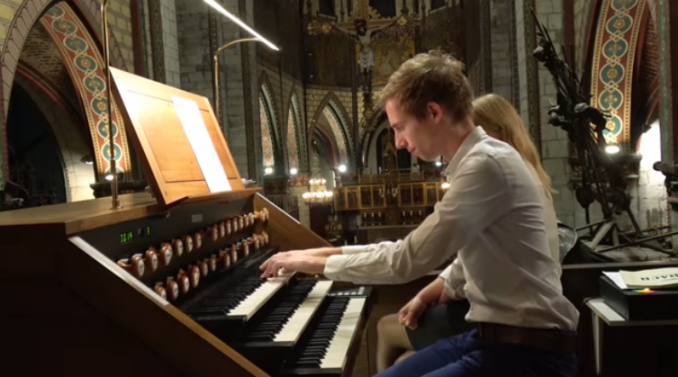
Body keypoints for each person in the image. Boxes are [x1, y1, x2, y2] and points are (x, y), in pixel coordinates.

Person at [260, 51, 579, 377]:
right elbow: (459, 262)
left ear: (433, 112)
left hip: (530, 354)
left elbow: (405, 260)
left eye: (400, 127)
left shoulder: (486, 165)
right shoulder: (482, 160)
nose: (397, 142)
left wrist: (314, 264)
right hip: (489, 338)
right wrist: (315, 253)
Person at [375, 93, 562, 372]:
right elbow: (467, 261)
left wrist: (322, 261)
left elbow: (408, 258)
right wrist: (426, 295)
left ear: (497, 131)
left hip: (515, 334)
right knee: (403, 362)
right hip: (488, 329)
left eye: (476, 132)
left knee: (389, 331)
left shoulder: (494, 170)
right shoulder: (513, 172)